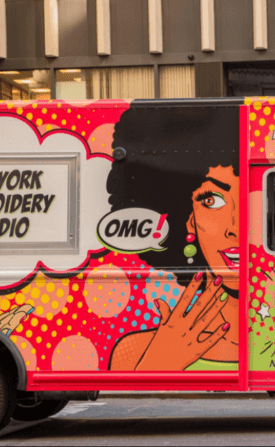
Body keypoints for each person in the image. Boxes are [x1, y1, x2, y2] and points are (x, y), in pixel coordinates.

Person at [108, 105, 240, 371]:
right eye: (212, 200)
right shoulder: (135, 350)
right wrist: (160, 362)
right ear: (190, 220)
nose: (235, 228)